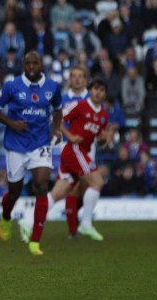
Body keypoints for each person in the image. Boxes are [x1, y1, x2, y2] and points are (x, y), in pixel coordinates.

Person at [19, 79, 109, 246]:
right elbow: (57, 117)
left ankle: (27, 221)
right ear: (90, 90)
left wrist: (104, 140)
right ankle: (86, 224)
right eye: (96, 88)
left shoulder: (103, 115)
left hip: (81, 152)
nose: (98, 92)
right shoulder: (79, 105)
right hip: (74, 150)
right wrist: (70, 136)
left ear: (104, 94)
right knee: (97, 181)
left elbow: (99, 139)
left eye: (102, 90)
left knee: (57, 193)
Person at [0, 51, 62, 256]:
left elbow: (58, 110)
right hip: (15, 145)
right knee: (14, 192)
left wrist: (56, 129)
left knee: (41, 185)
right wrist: (12, 123)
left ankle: (35, 240)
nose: (32, 67)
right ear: (23, 65)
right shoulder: (12, 86)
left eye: (35, 63)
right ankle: (6, 217)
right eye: (28, 63)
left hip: (40, 143)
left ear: (42, 65)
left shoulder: (52, 87)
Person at [59, 66, 90, 237]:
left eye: (80, 76)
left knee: (87, 189)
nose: (77, 79)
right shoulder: (63, 99)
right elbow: (56, 121)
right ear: (70, 79)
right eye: (74, 76)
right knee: (73, 187)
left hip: (87, 148)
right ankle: (73, 231)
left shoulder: (90, 99)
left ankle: (76, 219)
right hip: (69, 147)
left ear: (85, 79)